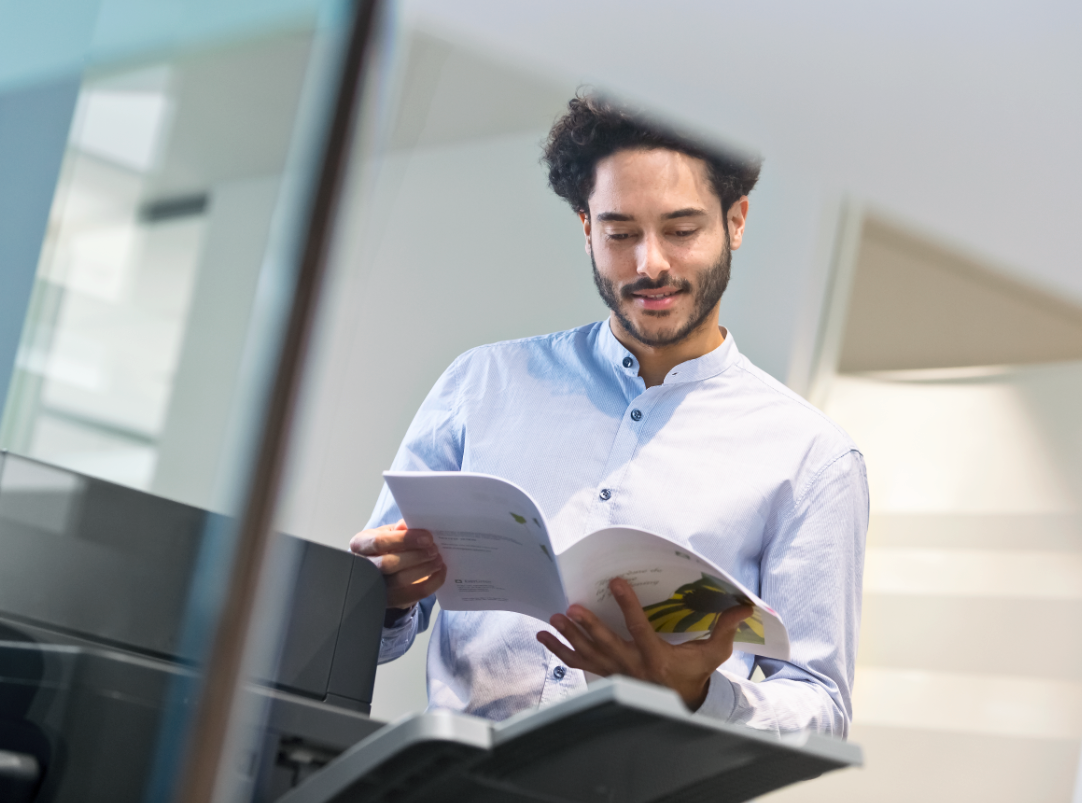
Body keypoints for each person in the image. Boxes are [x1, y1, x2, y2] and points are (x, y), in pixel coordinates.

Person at [349, 91, 867, 736]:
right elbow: (370, 631)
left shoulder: (811, 455)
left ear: (736, 221)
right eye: (621, 233)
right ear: (587, 228)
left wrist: (700, 696)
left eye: (682, 231)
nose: (651, 264)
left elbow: (822, 706)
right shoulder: (481, 385)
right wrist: (385, 599)